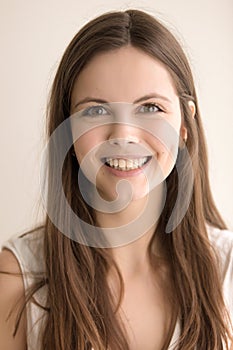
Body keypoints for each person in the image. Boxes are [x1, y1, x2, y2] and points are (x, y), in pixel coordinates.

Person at [0, 9, 232, 350]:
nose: (123, 135)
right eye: (95, 110)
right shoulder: (19, 279)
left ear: (184, 126)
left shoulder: (227, 271)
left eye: (150, 108)